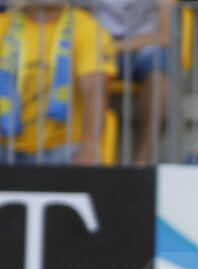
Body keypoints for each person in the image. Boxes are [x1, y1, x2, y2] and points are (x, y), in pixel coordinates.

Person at [0, 0, 114, 165]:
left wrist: (89, 146)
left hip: (62, 148)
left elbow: (94, 90)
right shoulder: (4, 25)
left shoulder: (87, 28)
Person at [94, 0, 174, 163]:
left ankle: (141, 162)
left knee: (158, 76)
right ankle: (90, 155)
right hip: (96, 43)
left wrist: (115, 47)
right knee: (87, 73)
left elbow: (165, 35)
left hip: (146, 43)